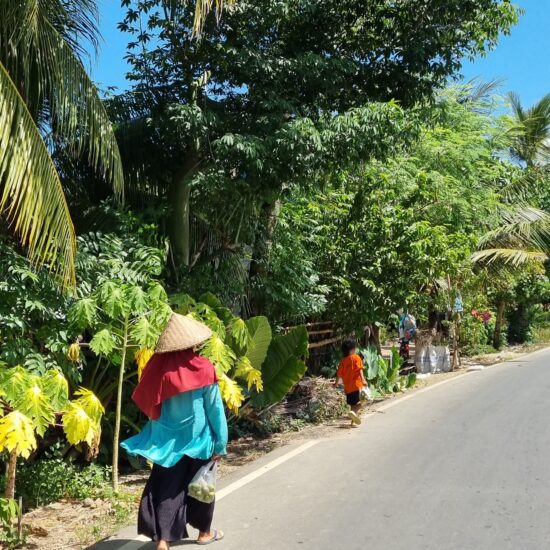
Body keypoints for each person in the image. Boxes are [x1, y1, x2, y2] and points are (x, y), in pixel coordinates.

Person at [121, 313, 228, 549]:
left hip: (167, 444)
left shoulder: (157, 371)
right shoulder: (203, 368)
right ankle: (204, 533)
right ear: (192, 343)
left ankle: (163, 541)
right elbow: (215, 410)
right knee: (202, 486)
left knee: (167, 490)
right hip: (199, 441)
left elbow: (151, 407)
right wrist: (220, 443)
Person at [334, 339, 367, 426]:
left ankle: (353, 422)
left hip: (348, 388)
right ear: (352, 349)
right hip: (357, 385)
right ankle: (353, 412)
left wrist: (336, 383)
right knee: (364, 401)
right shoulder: (356, 357)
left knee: (353, 404)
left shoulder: (343, 361)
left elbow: (338, 374)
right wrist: (363, 380)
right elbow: (360, 370)